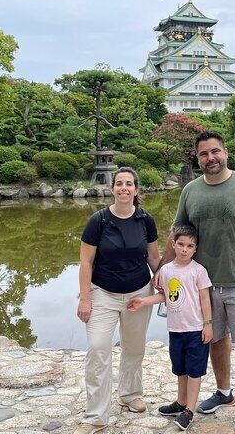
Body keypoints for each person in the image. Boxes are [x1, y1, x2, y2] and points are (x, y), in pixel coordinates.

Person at [160, 131, 235, 428]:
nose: (210, 158)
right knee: (215, 339)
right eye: (204, 154)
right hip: (204, 285)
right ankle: (224, 392)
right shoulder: (190, 191)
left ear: (225, 153)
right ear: (197, 158)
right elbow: (176, 234)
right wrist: (161, 273)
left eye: (215, 152)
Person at [76, 167, 161, 434]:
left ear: (136, 190)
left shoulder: (145, 220)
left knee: (134, 347)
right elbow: (85, 262)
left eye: (129, 184)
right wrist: (85, 298)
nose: (124, 188)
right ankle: (96, 415)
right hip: (103, 292)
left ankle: (129, 393)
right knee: (98, 348)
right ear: (112, 189)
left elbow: (154, 259)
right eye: (119, 184)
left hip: (139, 292)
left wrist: (167, 283)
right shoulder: (98, 221)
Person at [127, 223, 213, 431]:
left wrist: (208, 325)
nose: (185, 249)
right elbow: (163, 296)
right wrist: (143, 302)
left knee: (194, 372)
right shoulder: (166, 270)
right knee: (180, 369)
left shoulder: (198, 271)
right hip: (175, 330)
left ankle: (189, 410)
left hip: (195, 330)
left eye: (190, 246)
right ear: (173, 245)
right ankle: (180, 402)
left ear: (195, 249)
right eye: (181, 244)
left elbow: (205, 298)